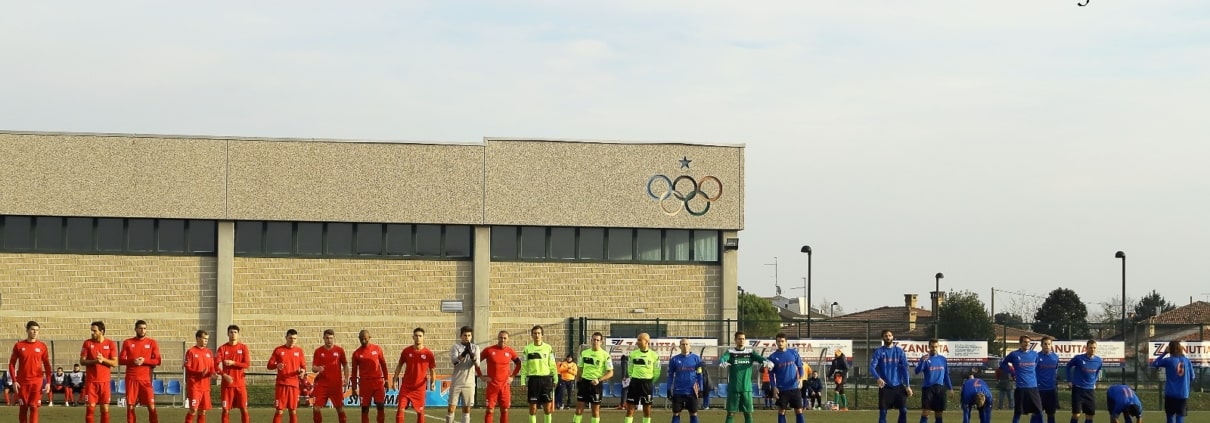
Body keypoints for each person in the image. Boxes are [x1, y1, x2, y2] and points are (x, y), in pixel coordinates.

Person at [720, 331, 770, 423]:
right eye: (739, 339)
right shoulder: (730, 352)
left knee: (748, 414)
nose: (741, 341)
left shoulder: (750, 352)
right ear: (735, 340)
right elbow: (724, 357)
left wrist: (766, 361)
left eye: (743, 339)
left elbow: (760, 358)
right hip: (733, 389)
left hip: (746, 389)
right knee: (731, 413)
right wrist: (722, 361)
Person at [120, 319, 162, 423]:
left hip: (145, 380)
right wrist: (132, 361)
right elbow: (121, 360)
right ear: (135, 329)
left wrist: (144, 360)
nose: (142, 330)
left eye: (144, 328)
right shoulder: (128, 342)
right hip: (131, 379)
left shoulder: (152, 343)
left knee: (151, 406)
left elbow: (158, 360)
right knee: (130, 407)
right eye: (140, 328)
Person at [9, 320, 52, 423]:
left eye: (37, 330)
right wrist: (14, 381)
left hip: (37, 382)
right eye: (32, 329)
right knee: (23, 408)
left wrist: (48, 382)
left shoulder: (42, 346)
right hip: (22, 382)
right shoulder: (19, 346)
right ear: (27, 330)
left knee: (34, 407)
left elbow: (47, 365)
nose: (35, 332)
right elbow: (11, 364)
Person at [392, 327, 436, 423]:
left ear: (423, 338)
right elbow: (399, 366)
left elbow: (432, 370)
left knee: (420, 412)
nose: (418, 338)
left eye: (420, 336)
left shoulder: (428, 353)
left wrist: (433, 382)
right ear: (413, 337)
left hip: (419, 388)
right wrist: (394, 380)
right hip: (406, 386)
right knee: (400, 409)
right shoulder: (406, 351)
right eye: (416, 336)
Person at [479, 330, 521, 423]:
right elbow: (476, 362)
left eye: (505, 338)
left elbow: (519, 364)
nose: (502, 340)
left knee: (504, 410)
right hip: (492, 386)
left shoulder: (510, 351)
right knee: (490, 410)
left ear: (508, 339)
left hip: (505, 386)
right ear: (497, 338)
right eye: (501, 337)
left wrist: (512, 377)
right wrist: (481, 376)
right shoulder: (489, 350)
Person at [870, 329, 912, 423]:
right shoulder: (879, 352)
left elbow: (905, 369)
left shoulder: (899, 351)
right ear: (883, 338)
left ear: (892, 337)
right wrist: (878, 378)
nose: (888, 337)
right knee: (883, 412)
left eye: (889, 335)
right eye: (886, 336)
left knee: (903, 411)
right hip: (885, 387)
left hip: (899, 386)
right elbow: (872, 368)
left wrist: (908, 386)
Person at [81, 321, 119, 423]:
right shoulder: (87, 343)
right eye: (91, 331)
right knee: (90, 409)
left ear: (101, 331)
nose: (92, 333)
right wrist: (95, 361)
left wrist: (103, 360)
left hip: (105, 382)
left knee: (105, 409)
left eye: (95, 331)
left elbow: (115, 363)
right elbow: (82, 361)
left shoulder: (110, 344)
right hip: (91, 382)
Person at [268, 328, 308, 423]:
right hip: (281, 385)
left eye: (294, 338)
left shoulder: (299, 351)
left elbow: (303, 367)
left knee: (293, 411)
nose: (292, 340)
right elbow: (269, 365)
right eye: (290, 338)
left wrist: (302, 372)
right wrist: (276, 365)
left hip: (294, 385)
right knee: (279, 411)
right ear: (286, 338)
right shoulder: (278, 350)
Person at [1000, 335, 1042, 423]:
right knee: (1018, 412)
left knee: (1038, 411)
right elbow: (1003, 364)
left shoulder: (1035, 354)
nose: (1027, 344)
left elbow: (1036, 366)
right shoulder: (1014, 354)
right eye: (1025, 342)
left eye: (1028, 342)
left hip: (1033, 388)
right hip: (1021, 388)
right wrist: (1012, 372)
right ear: (1020, 343)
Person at [573, 332, 614, 423]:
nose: (595, 342)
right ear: (591, 340)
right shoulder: (584, 353)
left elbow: (610, 373)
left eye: (597, 340)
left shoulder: (605, 355)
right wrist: (578, 380)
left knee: (595, 411)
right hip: (584, 383)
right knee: (579, 409)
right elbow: (579, 369)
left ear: (601, 342)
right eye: (594, 339)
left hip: (596, 385)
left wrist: (599, 380)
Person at [350, 330, 390, 423]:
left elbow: (383, 365)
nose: (363, 341)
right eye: (361, 339)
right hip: (365, 384)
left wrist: (387, 380)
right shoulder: (356, 353)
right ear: (359, 339)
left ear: (369, 337)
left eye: (365, 339)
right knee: (364, 408)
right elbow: (354, 372)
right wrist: (354, 387)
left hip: (378, 382)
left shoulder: (377, 349)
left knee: (380, 405)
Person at [1150, 340, 1194, 423]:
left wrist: (1164, 353)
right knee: (1180, 416)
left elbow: (1154, 364)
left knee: (1170, 416)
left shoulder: (1169, 360)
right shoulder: (1187, 361)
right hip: (1183, 393)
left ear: (1170, 349)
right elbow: (1192, 377)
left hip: (1170, 393)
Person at [520, 325, 557, 423]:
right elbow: (524, 366)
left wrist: (556, 378)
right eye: (535, 333)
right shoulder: (527, 348)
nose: (537, 335)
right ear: (531, 335)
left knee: (547, 408)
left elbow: (552, 364)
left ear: (542, 335)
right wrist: (522, 381)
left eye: (539, 333)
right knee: (533, 408)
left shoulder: (548, 348)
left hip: (546, 380)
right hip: (533, 380)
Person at [312, 329, 350, 423]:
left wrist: (346, 378)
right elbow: (313, 368)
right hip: (322, 384)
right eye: (327, 338)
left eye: (331, 338)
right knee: (316, 408)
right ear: (323, 338)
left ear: (333, 338)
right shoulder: (318, 351)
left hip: (335, 385)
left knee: (340, 409)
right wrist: (318, 368)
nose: (329, 340)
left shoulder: (339, 350)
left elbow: (345, 365)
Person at [767, 333, 804, 423]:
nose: (780, 343)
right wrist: (774, 387)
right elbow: (771, 375)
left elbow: (800, 367)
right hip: (782, 389)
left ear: (786, 342)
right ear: (776, 342)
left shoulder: (793, 353)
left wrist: (801, 379)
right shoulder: (772, 357)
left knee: (799, 410)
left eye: (782, 341)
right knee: (782, 411)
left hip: (794, 387)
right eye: (778, 341)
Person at [217, 325, 251, 423]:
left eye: (235, 332)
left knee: (244, 409)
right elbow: (215, 365)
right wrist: (224, 375)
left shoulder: (243, 347)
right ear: (228, 334)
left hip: (240, 385)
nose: (233, 334)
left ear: (238, 334)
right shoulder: (222, 348)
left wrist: (233, 363)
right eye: (231, 332)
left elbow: (247, 364)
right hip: (227, 386)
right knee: (225, 410)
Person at [447, 326, 480, 423]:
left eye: (469, 335)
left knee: (466, 410)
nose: (467, 337)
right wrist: (464, 353)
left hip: (469, 383)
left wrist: (472, 355)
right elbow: (454, 361)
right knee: (451, 408)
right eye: (465, 335)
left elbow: (477, 364)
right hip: (456, 382)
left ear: (471, 336)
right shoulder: (456, 347)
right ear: (460, 336)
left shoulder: (475, 347)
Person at [625, 333, 660, 423]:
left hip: (647, 384)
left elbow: (657, 372)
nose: (637, 342)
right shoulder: (633, 354)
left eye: (640, 340)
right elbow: (630, 369)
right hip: (634, 383)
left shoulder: (654, 355)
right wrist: (633, 377)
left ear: (647, 342)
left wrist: (650, 381)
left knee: (647, 410)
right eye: (637, 340)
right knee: (630, 410)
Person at [915, 338, 952, 423]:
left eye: (936, 346)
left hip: (940, 388)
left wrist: (950, 388)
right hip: (928, 388)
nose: (934, 348)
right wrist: (922, 362)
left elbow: (946, 375)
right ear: (929, 347)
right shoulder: (925, 358)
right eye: (932, 346)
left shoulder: (942, 359)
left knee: (939, 413)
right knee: (926, 412)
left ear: (938, 347)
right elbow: (917, 371)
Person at [184, 330, 217, 423]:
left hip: (205, 386)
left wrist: (213, 374)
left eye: (207, 339)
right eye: (204, 338)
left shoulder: (209, 352)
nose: (206, 341)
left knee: (202, 411)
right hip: (194, 386)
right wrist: (200, 373)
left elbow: (211, 368)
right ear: (198, 338)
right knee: (193, 410)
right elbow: (188, 368)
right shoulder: (191, 352)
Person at [1066, 339, 1102, 423]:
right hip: (1078, 390)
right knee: (1076, 414)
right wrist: (1069, 380)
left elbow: (1097, 372)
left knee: (1090, 415)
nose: (1092, 349)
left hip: (1090, 390)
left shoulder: (1099, 361)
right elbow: (1068, 366)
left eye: (1094, 348)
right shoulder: (1079, 358)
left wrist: (1094, 382)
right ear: (1086, 348)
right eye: (1090, 348)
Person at [667, 338, 703, 423]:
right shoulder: (674, 360)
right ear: (679, 346)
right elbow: (670, 375)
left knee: (693, 413)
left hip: (692, 392)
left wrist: (701, 388)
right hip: (678, 392)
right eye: (683, 344)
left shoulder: (696, 359)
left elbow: (699, 375)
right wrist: (668, 389)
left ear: (690, 346)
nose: (685, 346)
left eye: (687, 344)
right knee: (676, 413)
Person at [1036, 336, 1060, 423]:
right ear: (1041, 345)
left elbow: (1056, 371)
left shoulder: (1055, 357)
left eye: (1049, 344)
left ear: (1051, 345)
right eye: (1045, 344)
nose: (1047, 346)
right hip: (1039, 390)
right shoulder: (1036, 357)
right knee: (1037, 413)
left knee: (1051, 413)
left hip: (1051, 390)